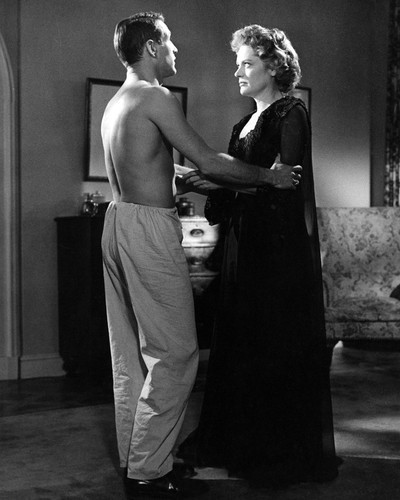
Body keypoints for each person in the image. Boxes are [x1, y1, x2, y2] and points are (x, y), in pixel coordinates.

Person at [100, 12, 301, 498]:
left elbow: (150, 167)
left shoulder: (118, 101)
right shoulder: (155, 96)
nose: (175, 51)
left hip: (117, 221)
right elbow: (209, 160)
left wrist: (186, 180)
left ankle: (138, 460)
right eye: (169, 42)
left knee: (131, 355)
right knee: (176, 353)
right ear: (151, 48)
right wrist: (269, 176)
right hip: (148, 228)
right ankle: (149, 473)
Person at [178, 25, 339, 488]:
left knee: (270, 343)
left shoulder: (291, 112)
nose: (238, 72)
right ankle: (238, 440)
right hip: (241, 245)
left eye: (247, 63)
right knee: (241, 340)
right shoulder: (242, 125)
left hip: (274, 249)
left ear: (273, 66)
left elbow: (285, 188)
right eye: (239, 63)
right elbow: (242, 188)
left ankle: (273, 450)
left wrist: (224, 179)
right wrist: (206, 181)